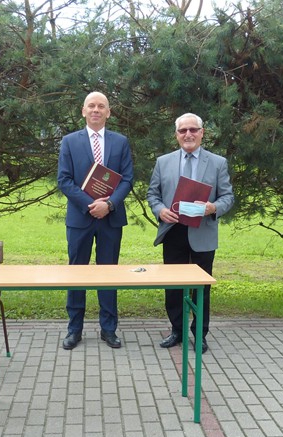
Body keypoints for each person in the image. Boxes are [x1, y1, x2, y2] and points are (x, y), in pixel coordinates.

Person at [146, 112, 234, 354]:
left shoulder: (217, 163)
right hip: (173, 231)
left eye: (193, 130)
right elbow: (152, 194)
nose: (188, 134)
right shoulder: (163, 162)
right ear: (176, 135)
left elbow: (228, 196)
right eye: (183, 130)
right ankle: (177, 330)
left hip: (202, 232)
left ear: (202, 133)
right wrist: (160, 210)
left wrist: (213, 207)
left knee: (201, 288)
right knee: (173, 286)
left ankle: (200, 334)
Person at [57, 91, 134, 350]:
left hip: (110, 219)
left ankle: (109, 329)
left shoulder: (120, 142)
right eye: (91, 106)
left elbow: (127, 179)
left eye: (101, 106)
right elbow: (64, 179)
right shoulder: (69, 142)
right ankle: (74, 329)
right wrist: (90, 205)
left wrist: (108, 205)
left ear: (108, 112)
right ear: (83, 111)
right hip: (80, 218)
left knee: (108, 273)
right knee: (76, 274)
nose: (96, 110)